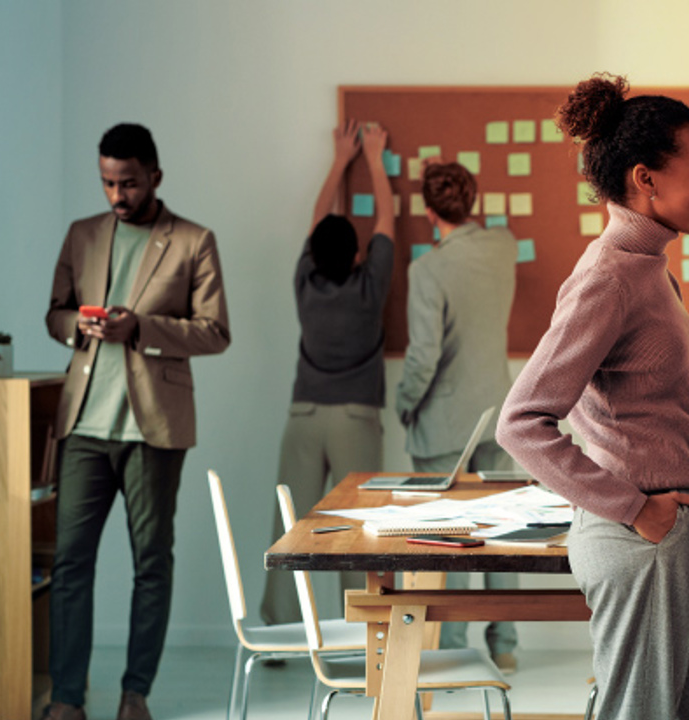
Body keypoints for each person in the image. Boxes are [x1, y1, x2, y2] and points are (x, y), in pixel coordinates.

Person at [496, 73, 689, 720]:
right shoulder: (610, 277)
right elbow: (522, 423)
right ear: (645, 178)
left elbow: (666, 423)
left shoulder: (648, 268)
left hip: (679, 535)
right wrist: (634, 509)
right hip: (642, 543)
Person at [44, 123, 231, 720]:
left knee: (151, 563)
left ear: (155, 176)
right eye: (107, 183)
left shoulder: (194, 241)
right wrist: (81, 324)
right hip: (84, 427)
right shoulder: (83, 235)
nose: (117, 195)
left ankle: (135, 695)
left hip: (153, 431)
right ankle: (67, 699)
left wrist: (141, 329)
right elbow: (54, 313)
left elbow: (215, 332)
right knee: (71, 563)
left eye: (127, 182)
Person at [260, 120, 395, 624]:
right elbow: (387, 220)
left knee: (290, 522)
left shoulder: (306, 282)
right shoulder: (370, 287)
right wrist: (377, 159)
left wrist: (342, 157)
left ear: (314, 252)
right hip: (356, 419)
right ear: (359, 255)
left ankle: (276, 625)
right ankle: (363, 626)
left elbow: (320, 218)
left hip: (304, 414)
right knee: (359, 526)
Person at [394, 160, 520, 672]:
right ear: (472, 203)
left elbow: (423, 357)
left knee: (446, 536)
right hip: (498, 410)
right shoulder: (504, 247)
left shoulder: (426, 270)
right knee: (502, 529)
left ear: (427, 212)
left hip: (445, 422)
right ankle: (505, 646)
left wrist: (404, 403)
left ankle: (451, 647)